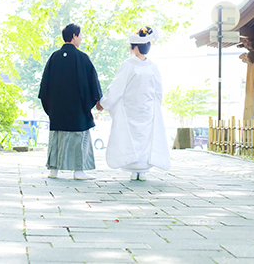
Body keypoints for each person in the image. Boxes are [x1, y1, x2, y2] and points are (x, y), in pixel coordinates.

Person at [99, 26, 171, 181]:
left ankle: (134, 169)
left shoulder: (128, 65)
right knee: (145, 137)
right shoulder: (153, 67)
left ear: (135, 47)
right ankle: (143, 170)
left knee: (130, 136)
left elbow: (116, 88)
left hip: (129, 109)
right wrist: (154, 107)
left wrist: (104, 103)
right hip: (147, 110)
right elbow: (159, 91)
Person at [38, 23, 102, 180]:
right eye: (80, 35)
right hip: (77, 110)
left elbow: (44, 85)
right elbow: (93, 82)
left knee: (56, 137)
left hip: (57, 109)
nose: (81, 39)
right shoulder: (82, 58)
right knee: (79, 138)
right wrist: (98, 100)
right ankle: (78, 171)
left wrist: (51, 106)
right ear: (74, 36)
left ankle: (53, 170)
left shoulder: (53, 57)